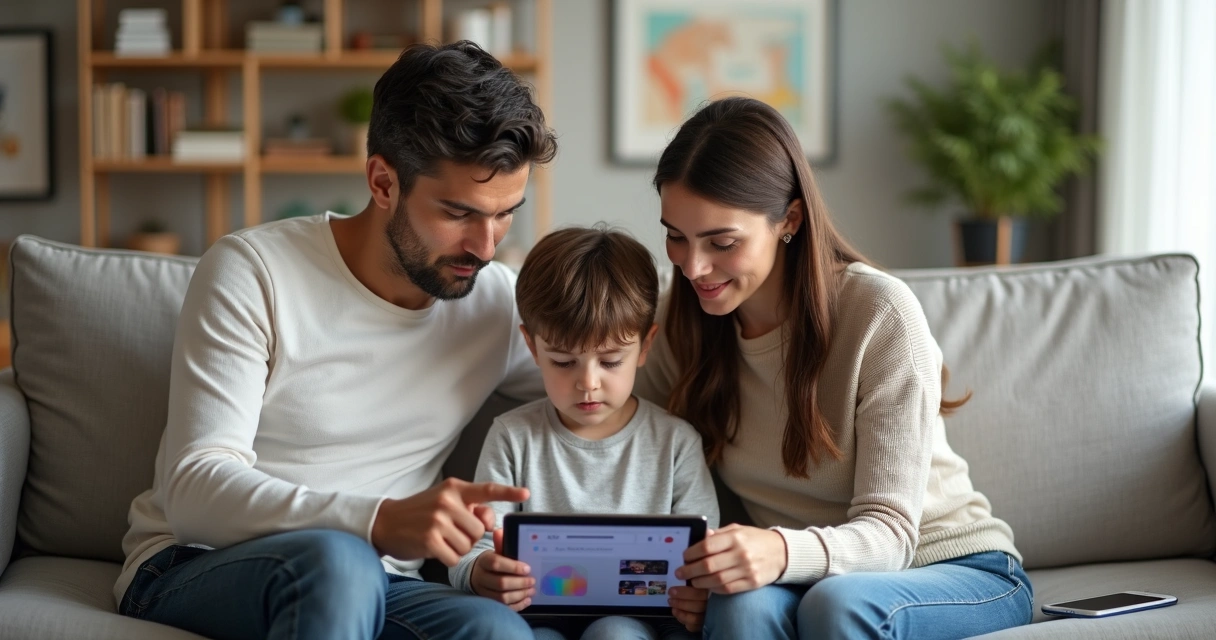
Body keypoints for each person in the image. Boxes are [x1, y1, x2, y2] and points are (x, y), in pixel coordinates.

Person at [114, 41, 558, 640]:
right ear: (383, 182)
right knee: (340, 562)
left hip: (383, 581)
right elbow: (195, 491)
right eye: (458, 213)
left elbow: (612, 379)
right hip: (194, 563)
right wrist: (377, 521)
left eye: (505, 213)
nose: (486, 246)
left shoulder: (496, 306)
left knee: (498, 632)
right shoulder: (254, 271)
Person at [634, 97, 1033, 639]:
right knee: (738, 608)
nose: (693, 267)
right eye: (676, 237)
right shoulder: (682, 324)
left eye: (722, 242)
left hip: (950, 566)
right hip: (806, 576)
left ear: (789, 220)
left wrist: (778, 550)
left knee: (838, 605)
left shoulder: (879, 313)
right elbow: (618, 432)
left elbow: (892, 535)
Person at [448, 226, 721, 640]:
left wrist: (701, 593)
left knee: (615, 634)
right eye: (563, 362)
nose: (588, 383)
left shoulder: (675, 443)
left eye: (610, 362)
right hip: (535, 619)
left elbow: (705, 554)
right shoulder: (512, 437)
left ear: (645, 346)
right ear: (533, 347)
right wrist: (480, 572)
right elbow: (472, 549)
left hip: (639, 623)